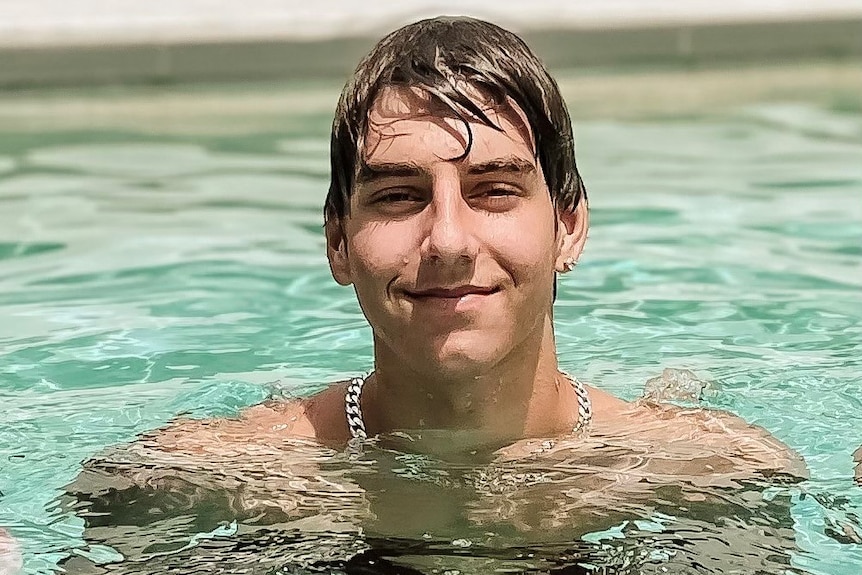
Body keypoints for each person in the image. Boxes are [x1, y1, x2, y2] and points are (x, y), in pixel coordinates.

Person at [51, 15, 813, 574]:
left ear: (570, 228)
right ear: (338, 243)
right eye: (397, 197)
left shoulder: (711, 471)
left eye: (495, 190)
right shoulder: (204, 476)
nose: (447, 239)